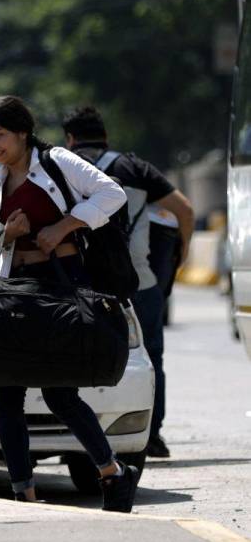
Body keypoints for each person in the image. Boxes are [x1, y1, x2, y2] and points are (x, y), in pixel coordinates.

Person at [0, 95, 139, 512]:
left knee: (60, 392)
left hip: (62, 285)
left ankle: (112, 472)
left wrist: (65, 225)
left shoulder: (58, 161)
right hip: (15, 288)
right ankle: (23, 492)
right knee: (5, 395)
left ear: (23, 132)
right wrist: (2, 236)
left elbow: (111, 193)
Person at [62, 106, 194, 458]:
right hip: (140, 282)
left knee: (75, 359)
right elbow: (185, 211)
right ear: (104, 135)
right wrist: (180, 258)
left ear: (70, 138)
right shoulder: (134, 168)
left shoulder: (60, 169)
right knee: (150, 357)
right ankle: (150, 435)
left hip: (81, 284)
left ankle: (77, 433)